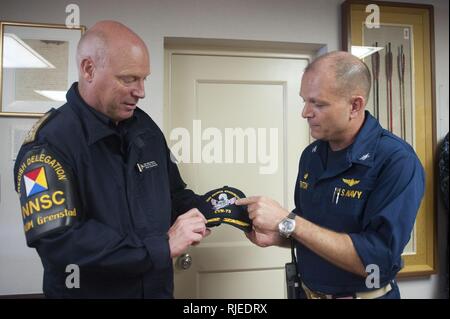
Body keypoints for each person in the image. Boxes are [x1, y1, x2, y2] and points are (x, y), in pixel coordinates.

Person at [13, 21, 209, 298]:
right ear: (89, 69)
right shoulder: (49, 144)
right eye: (128, 79)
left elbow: (174, 195)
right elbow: (60, 241)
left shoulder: (146, 128)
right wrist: (161, 248)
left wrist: (220, 208)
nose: (141, 91)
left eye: (144, 79)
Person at [237, 51, 425, 299]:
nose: (305, 112)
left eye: (318, 103)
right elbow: (312, 231)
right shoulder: (312, 155)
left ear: (355, 105)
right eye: (304, 101)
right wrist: (280, 234)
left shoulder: (396, 160)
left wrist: (288, 221)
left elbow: (376, 260)